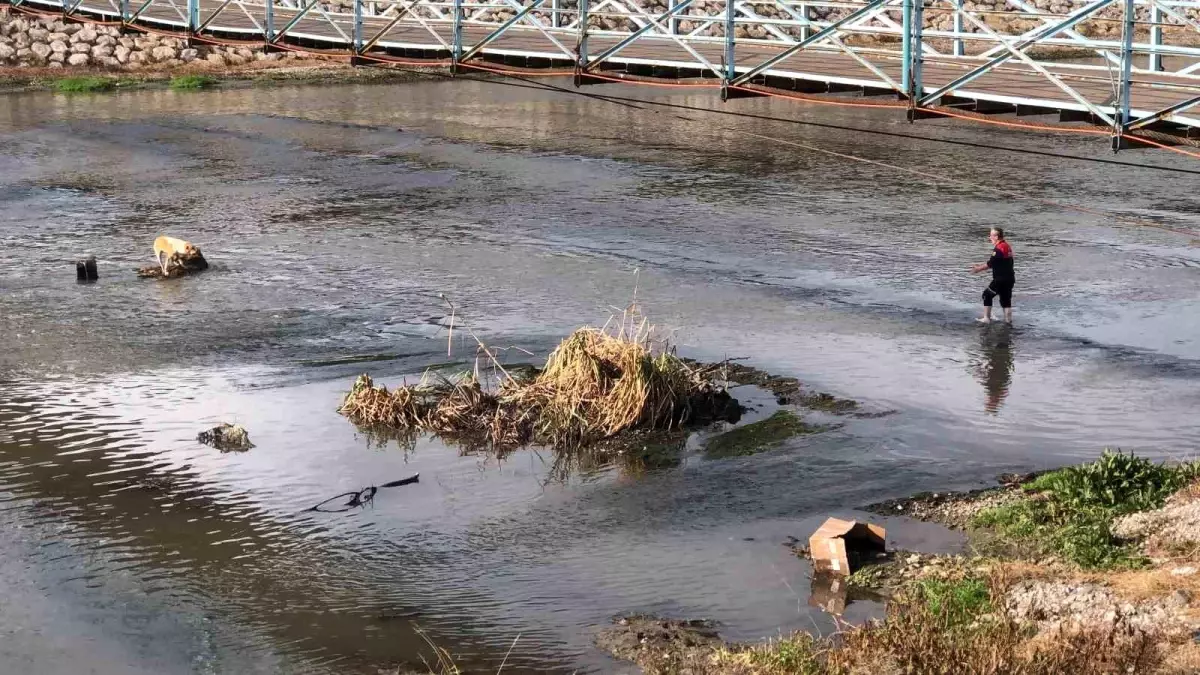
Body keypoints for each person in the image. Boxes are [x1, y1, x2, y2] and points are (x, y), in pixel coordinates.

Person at [971, 227, 1014, 324]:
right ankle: (1008, 321)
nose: (989, 237)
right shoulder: (1007, 246)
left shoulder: (999, 248)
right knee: (1006, 301)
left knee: (986, 295)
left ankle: (986, 318)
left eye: (991, 235)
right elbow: (999, 262)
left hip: (1000, 279)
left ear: (996, 236)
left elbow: (991, 264)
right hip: (1010, 278)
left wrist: (978, 269)